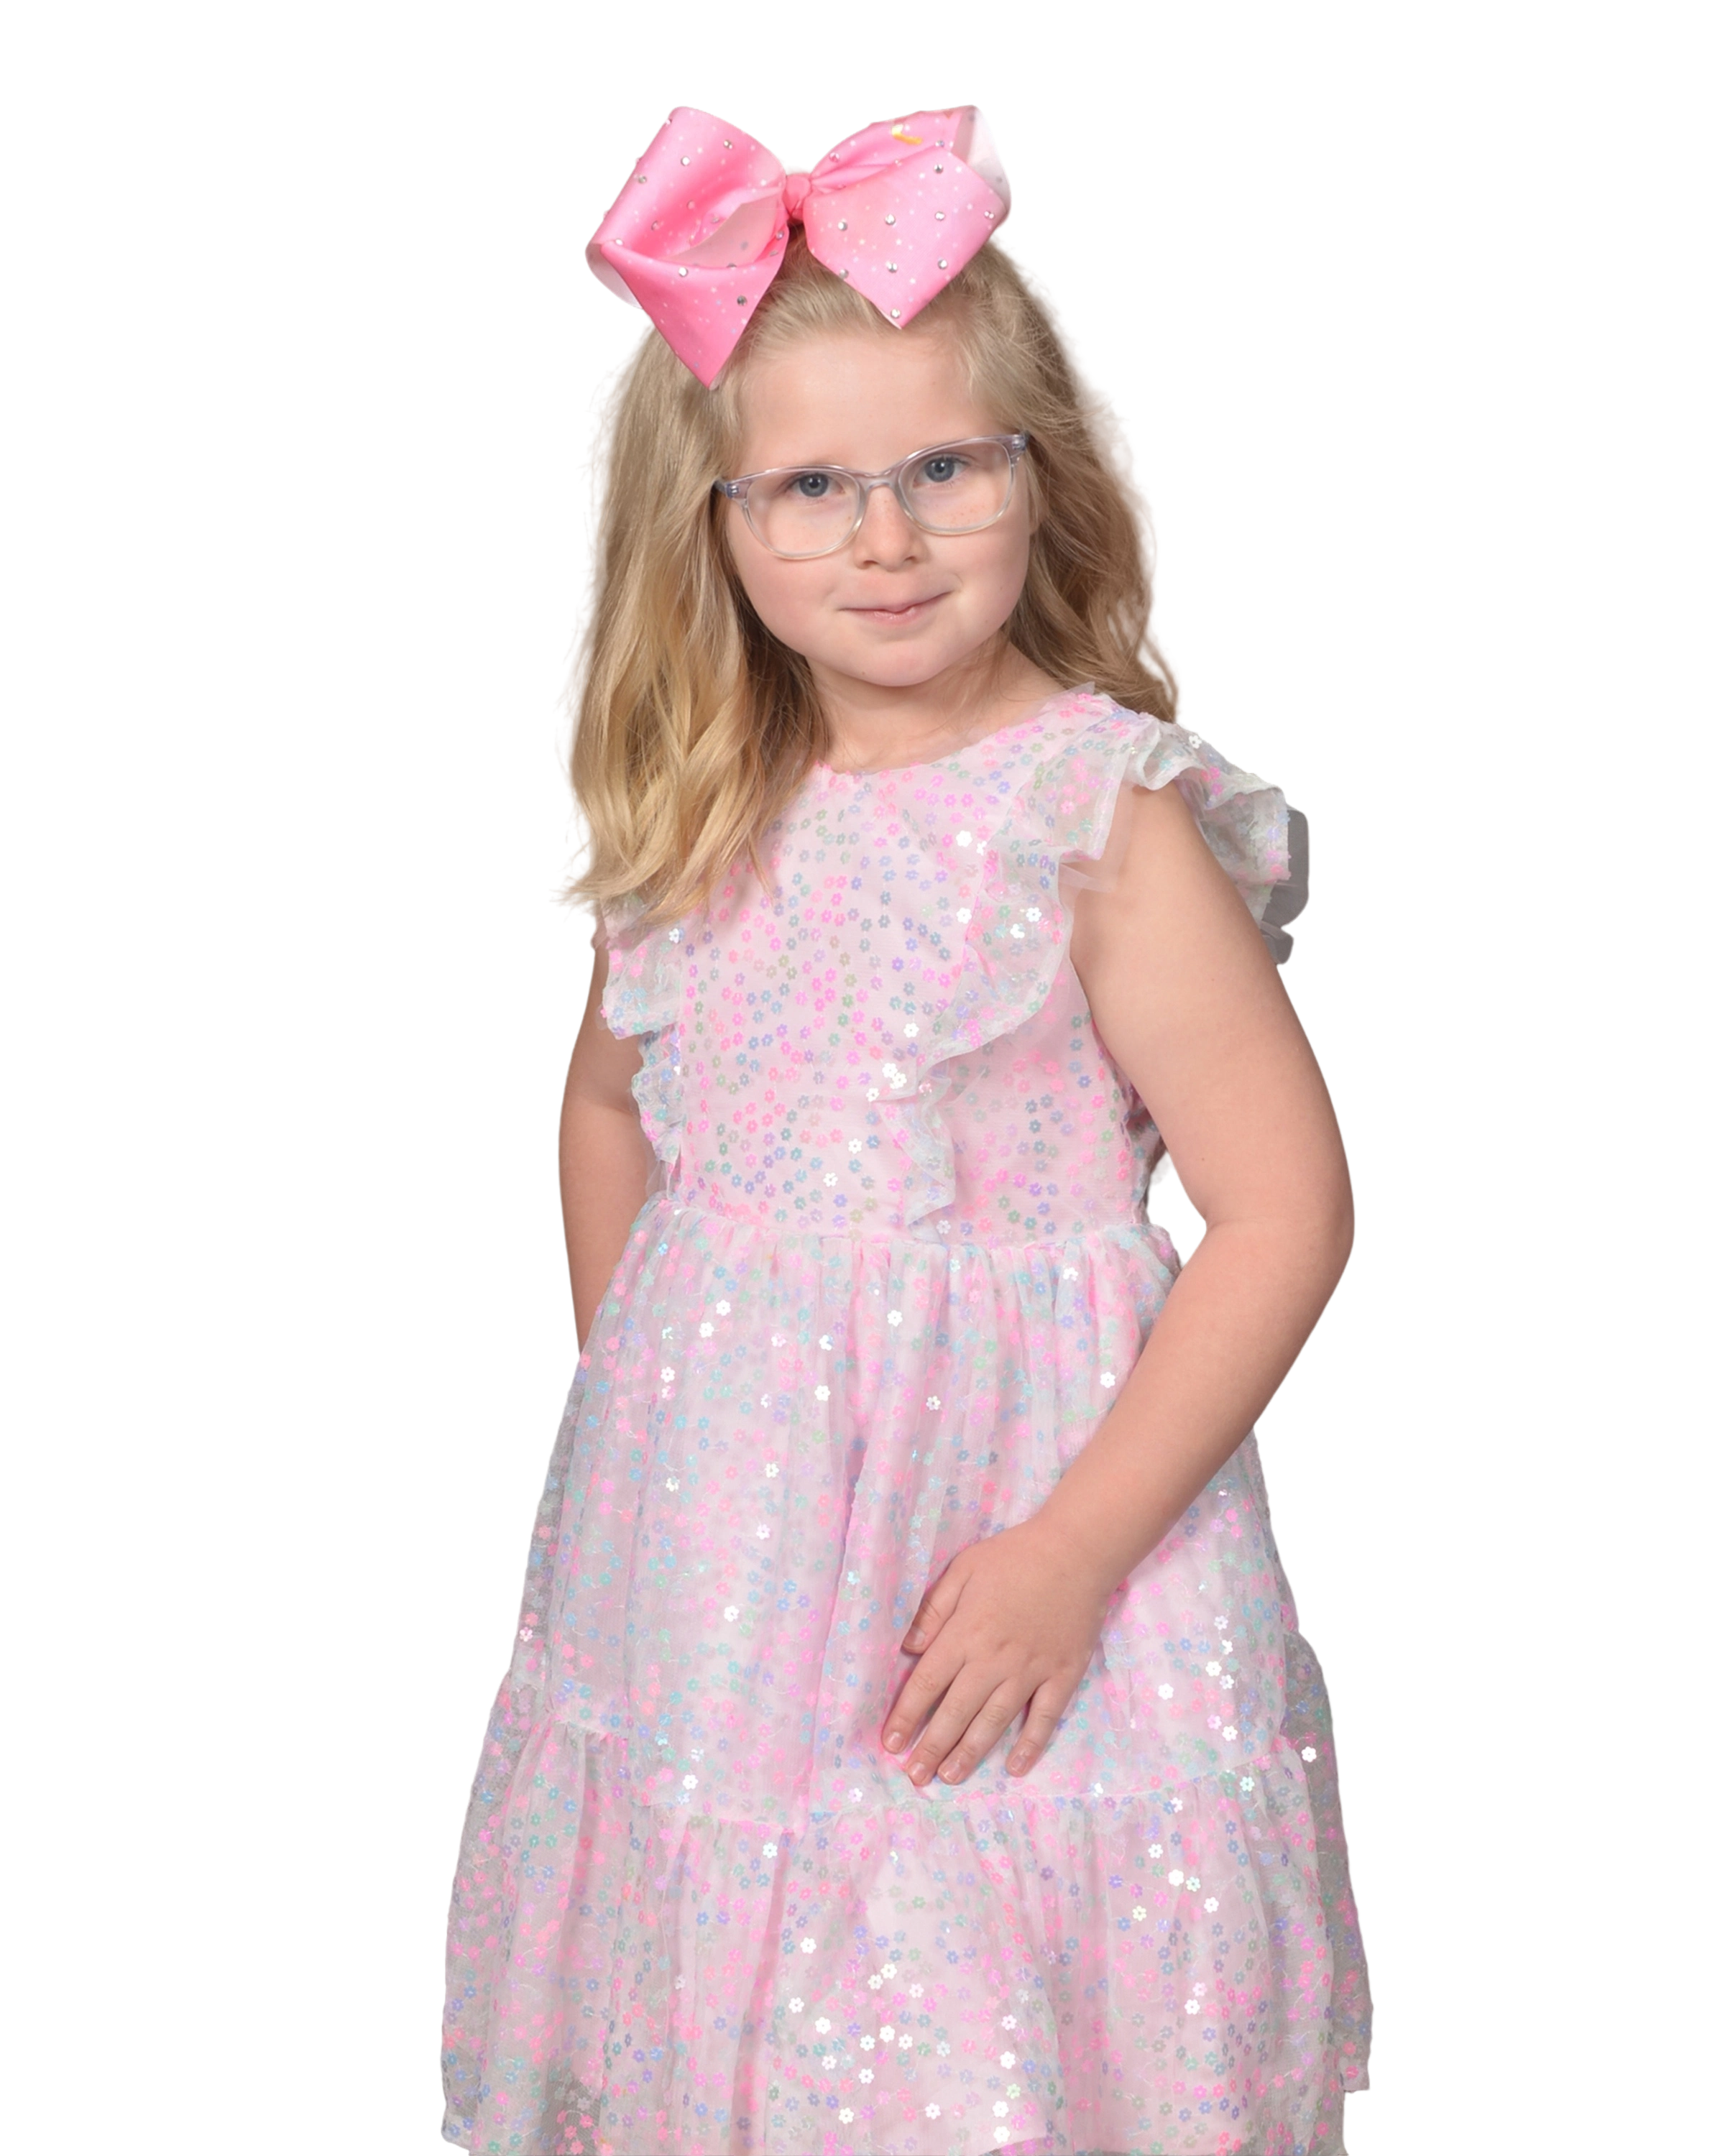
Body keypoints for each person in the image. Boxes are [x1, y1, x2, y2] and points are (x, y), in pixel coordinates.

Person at [439, 103, 1374, 2156]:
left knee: (984, 1986)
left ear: (1042, 472)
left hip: (1022, 1528)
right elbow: (606, 1107)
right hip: (733, 1564)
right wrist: (662, 1398)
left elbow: (1283, 1210)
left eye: (947, 467)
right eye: (813, 486)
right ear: (709, 521)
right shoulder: (703, 815)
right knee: (740, 2003)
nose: (888, 539)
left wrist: (1072, 1554)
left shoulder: (1094, 818)